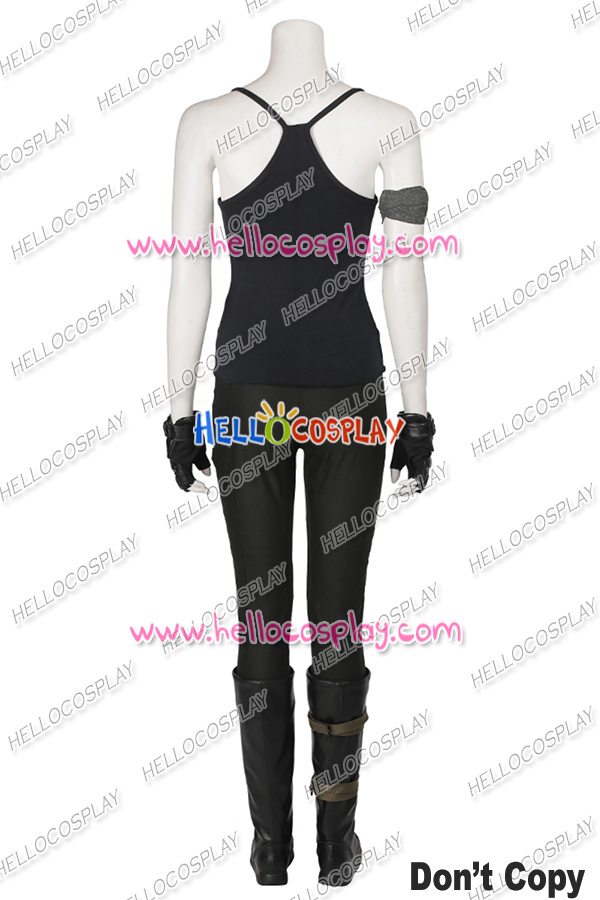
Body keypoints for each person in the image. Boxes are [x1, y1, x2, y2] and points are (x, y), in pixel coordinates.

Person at [163, 19, 435, 887]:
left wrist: (180, 409)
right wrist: (417, 410)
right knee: (329, 622)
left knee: (269, 619)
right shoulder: (387, 123)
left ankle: (283, 845)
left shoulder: (208, 123)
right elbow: (404, 267)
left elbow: (191, 270)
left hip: (256, 397)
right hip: (346, 394)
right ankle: (322, 844)